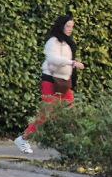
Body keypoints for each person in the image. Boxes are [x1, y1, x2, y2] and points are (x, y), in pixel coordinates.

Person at [14, 15, 83, 154]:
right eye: (68, 26)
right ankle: (23, 138)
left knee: (70, 112)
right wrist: (72, 63)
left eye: (72, 27)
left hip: (64, 82)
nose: (70, 29)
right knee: (46, 113)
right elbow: (52, 59)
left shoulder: (67, 42)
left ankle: (70, 145)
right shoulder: (53, 41)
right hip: (51, 80)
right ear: (61, 25)